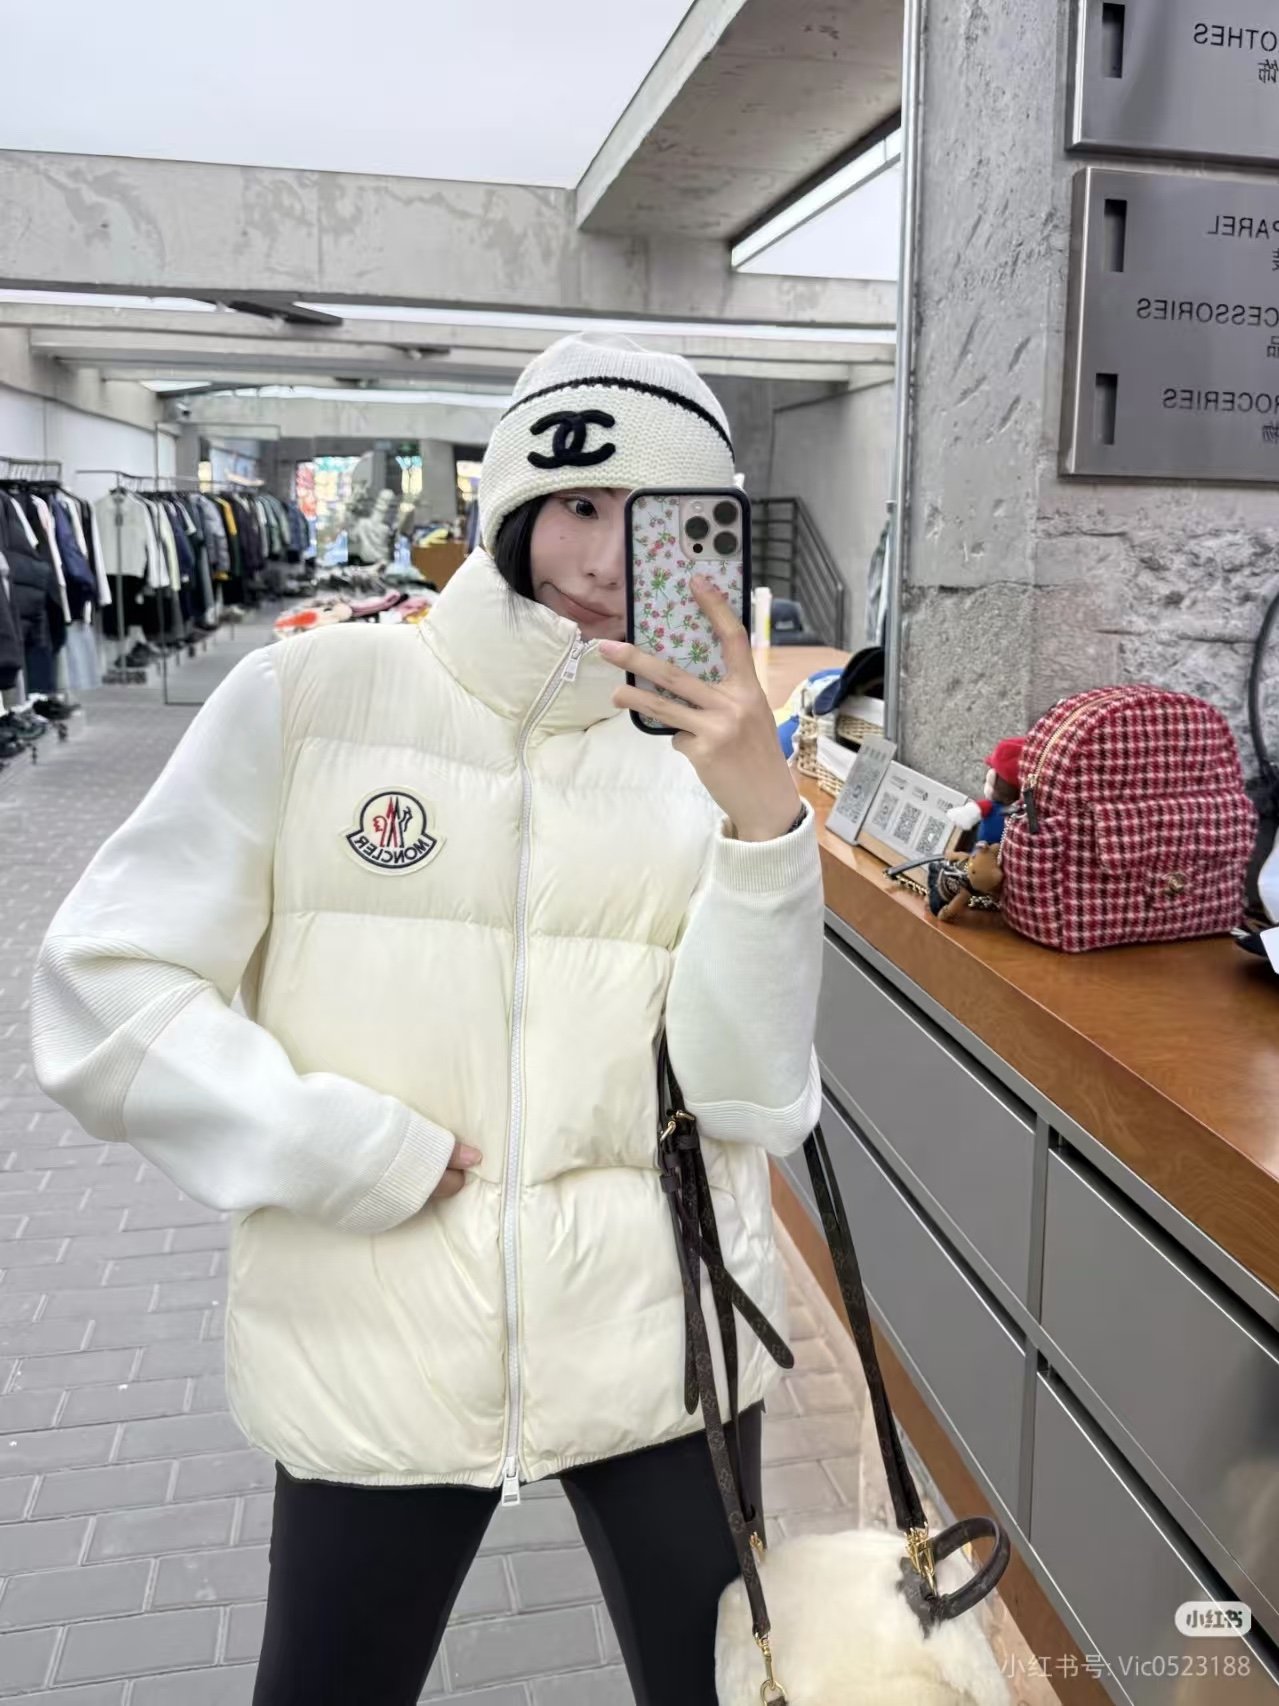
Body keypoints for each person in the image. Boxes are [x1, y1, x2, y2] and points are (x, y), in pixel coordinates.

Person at [30, 334, 825, 1706]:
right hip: (372, 1328)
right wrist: (330, 1146)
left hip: (664, 1330)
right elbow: (102, 983)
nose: (600, 561)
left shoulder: (709, 754)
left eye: (650, 518)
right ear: (510, 505)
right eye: (576, 505)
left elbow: (748, 1095)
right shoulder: (312, 698)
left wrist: (765, 826)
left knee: (726, 1692)